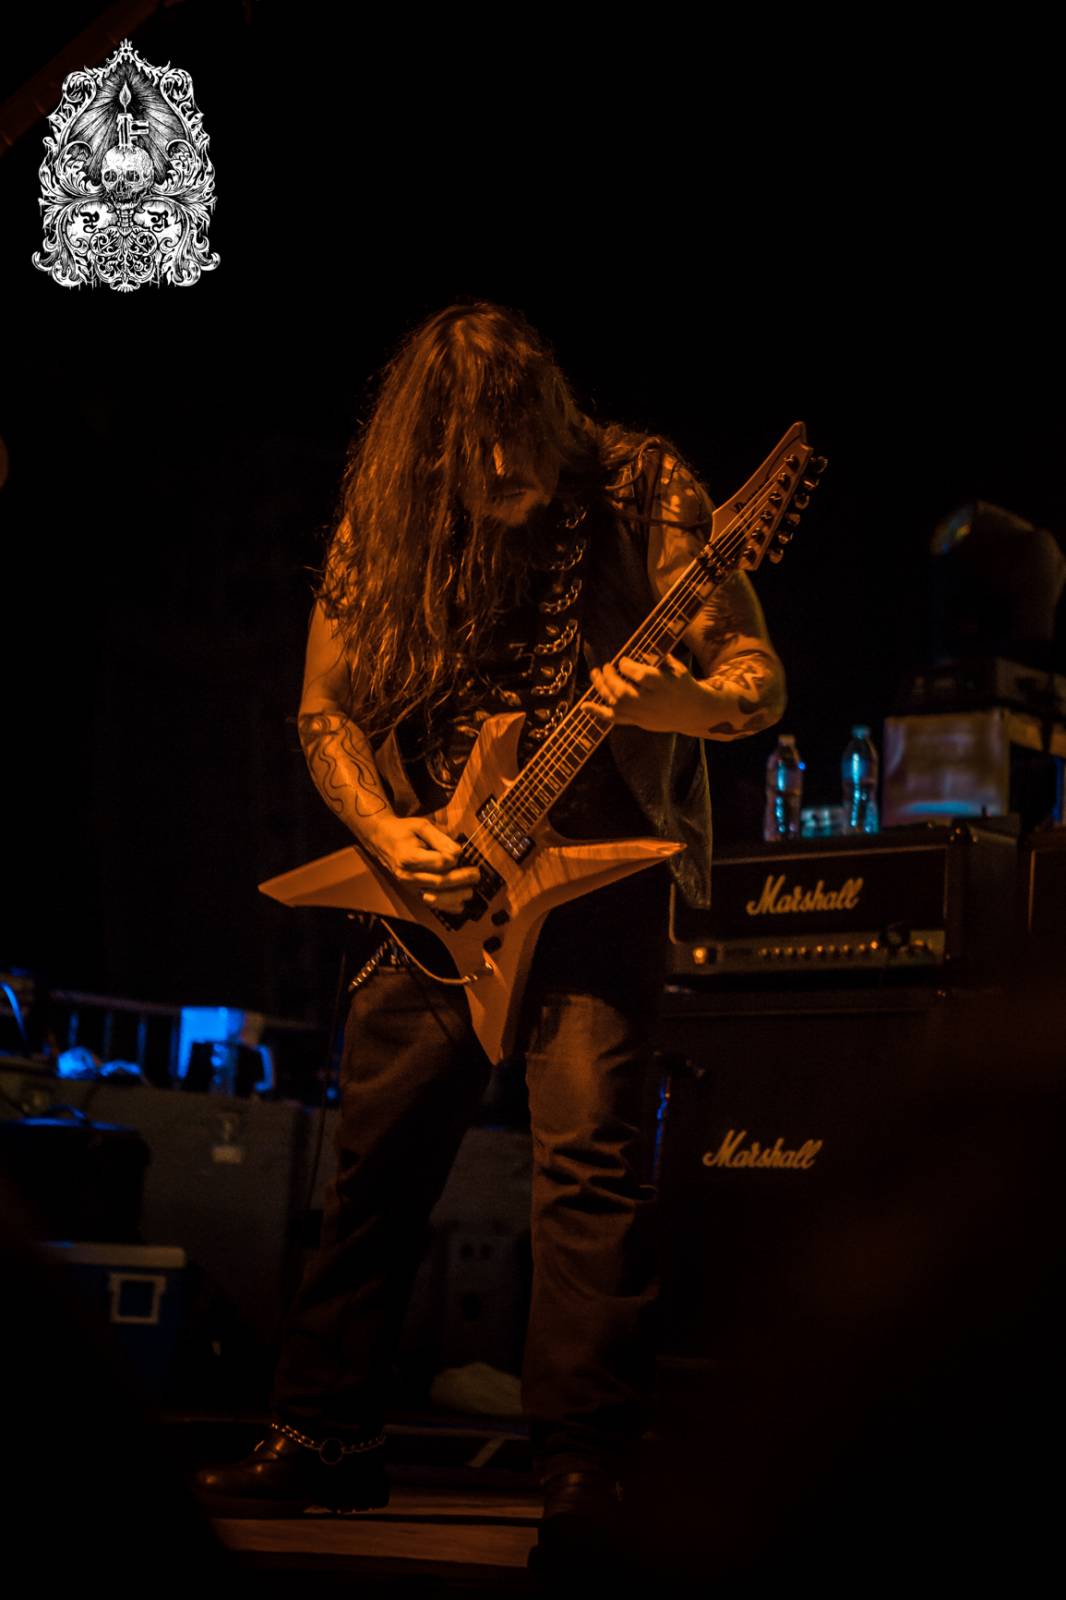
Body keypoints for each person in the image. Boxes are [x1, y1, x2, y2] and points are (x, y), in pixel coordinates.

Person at [194, 301, 786, 1570]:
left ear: (556, 413)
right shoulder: (387, 523)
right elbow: (325, 711)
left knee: (590, 1168)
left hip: (605, 875)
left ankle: (583, 1464)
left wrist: (676, 701)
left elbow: (755, 681)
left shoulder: (643, 487)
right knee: (373, 1168)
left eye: (526, 434)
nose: (509, 465)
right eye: (479, 447)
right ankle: (325, 1434)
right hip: (440, 888)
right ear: (430, 448)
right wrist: (387, 833)